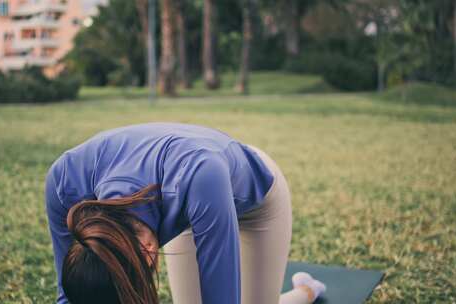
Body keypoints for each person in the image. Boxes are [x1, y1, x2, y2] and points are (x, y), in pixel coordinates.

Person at [45, 122, 326, 304]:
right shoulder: (62, 181)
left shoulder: (200, 176)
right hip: (188, 206)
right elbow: (66, 297)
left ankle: (308, 291)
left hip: (256, 195)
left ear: (147, 252)